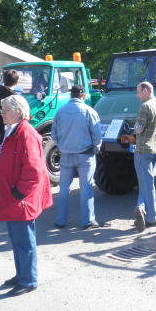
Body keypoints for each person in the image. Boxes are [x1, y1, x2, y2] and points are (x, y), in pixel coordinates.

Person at [0, 94, 52, 296]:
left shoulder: (26, 133)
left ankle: (28, 280)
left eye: (5, 110)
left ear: (18, 112)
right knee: (17, 239)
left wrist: (19, 193)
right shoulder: (12, 130)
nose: (1, 113)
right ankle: (22, 275)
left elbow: (34, 170)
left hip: (19, 198)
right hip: (11, 196)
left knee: (24, 240)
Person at [52, 85, 103, 230]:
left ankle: (60, 221)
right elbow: (97, 135)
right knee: (86, 187)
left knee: (63, 188)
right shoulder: (89, 111)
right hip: (85, 155)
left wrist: (62, 146)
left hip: (66, 154)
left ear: (70, 95)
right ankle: (87, 221)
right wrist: (95, 149)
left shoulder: (60, 112)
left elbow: (54, 134)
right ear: (83, 96)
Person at [133, 81, 156, 232]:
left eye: (139, 92)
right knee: (146, 183)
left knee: (147, 184)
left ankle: (152, 218)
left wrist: (132, 126)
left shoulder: (145, 107)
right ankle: (140, 207)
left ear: (145, 90)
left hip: (143, 151)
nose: (137, 95)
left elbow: (139, 129)